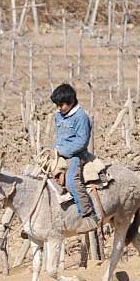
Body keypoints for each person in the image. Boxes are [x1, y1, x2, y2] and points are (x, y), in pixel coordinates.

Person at [50, 83, 98, 223]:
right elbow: (60, 136)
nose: (59, 108)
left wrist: (60, 151)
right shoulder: (59, 115)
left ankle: (88, 214)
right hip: (58, 152)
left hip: (76, 155)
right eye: (57, 105)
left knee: (71, 182)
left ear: (71, 101)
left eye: (61, 104)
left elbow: (82, 142)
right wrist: (54, 149)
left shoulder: (81, 117)